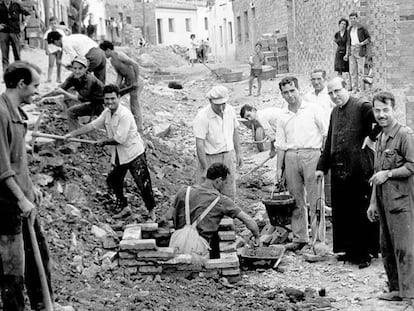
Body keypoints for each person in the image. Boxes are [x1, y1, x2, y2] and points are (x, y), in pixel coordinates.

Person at [0, 61, 54, 311]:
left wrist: (31, 189)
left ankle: (43, 305)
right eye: (34, 86)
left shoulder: (18, 114)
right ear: (21, 84)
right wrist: (21, 198)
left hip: (23, 198)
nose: (36, 92)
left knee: (37, 255)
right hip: (7, 204)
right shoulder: (0, 114)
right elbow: (2, 168)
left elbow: (19, 161)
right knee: (13, 269)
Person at [64, 84, 156, 221]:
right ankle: (124, 208)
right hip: (119, 155)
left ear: (118, 97)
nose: (110, 102)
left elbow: (120, 139)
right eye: (107, 99)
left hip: (134, 152)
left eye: (113, 98)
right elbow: (92, 125)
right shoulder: (106, 113)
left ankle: (151, 213)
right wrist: (73, 133)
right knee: (113, 181)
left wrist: (103, 142)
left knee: (143, 183)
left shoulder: (125, 114)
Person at [316, 77, 380, 268]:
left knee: (361, 211)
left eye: (337, 91)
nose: (335, 96)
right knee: (344, 211)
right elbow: (330, 143)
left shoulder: (362, 106)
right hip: (339, 170)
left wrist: (371, 137)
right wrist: (321, 166)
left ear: (346, 89)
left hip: (360, 169)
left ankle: (365, 253)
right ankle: (349, 250)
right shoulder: (335, 112)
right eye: (330, 93)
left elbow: (380, 121)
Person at [367, 91, 414, 301]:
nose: (381, 114)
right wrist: (372, 203)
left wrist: (389, 173)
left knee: (405, 248)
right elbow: (376, 173)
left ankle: (410, 293)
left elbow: (412, 166)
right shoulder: (380, 137)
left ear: (393, 110)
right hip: (384, 202)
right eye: (377, 110)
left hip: (402, 202)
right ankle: (396, 289)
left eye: (385, 110)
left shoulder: (403, 135)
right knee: (386, 247)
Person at [275, 76, 327, 251]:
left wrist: (323, 159)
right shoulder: (282, 115)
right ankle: (300, 238)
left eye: (292, 91)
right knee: (295, 199)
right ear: (281, 95)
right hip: (291, 156)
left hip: (312, 154)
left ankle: (318, 241)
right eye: (285, 93)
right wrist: (278, 168)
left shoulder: (313, 109)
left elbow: (325, 133)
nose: (290, 96)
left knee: (316, 199)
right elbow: (280, 144)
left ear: (299, 90)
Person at [169, 163, 260, 259]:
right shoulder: (221, 201)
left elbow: (167, 217)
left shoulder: (184, 192)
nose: (224, 186)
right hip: (197, 249)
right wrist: (257, 236)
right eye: (225, 183)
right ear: (218, 181)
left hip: (175, 245)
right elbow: (248, 220)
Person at [193, 85, 242, 200]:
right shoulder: (202, 116)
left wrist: (238, 153)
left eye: (223, 104)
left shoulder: (230, 111)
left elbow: (235, 132)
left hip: (228, 156)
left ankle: (228, 217)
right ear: (210, 101)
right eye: (217, 104)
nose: (221, 107)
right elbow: (199, 144)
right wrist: (205, 168)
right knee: (208, 194)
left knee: (229, 192)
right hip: (211, 158)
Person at [39, 56, 104, 131]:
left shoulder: (89, 79)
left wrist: (64, 92)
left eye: (80, 68)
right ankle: (74, 138)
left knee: (110, 125)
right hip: (92, 103)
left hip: (103, 104)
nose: (77, 71)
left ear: (86, 69)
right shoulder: (73, 76)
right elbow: (59, 89)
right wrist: (42, 96)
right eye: (75, 68)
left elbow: (80, 98)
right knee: (71, 112)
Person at [99, 40, 144, 132]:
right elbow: (120, 75)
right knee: (113, 98)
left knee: (134, 105)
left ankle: (139, 128)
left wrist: (135, 81)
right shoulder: (112, 61)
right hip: (127, 83)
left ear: (108, 50)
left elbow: (135, 65)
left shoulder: (119, 55)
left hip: (136, 82)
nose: (104, 55)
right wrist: (116, 87)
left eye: (103, 52)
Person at [0, 0, 31, 72]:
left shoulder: (16, 5)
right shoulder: (0, 5)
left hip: (15, 31)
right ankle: (6, 75)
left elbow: (28, 14)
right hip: (3, 32)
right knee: (4, 56)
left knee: (17, 54)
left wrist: (24, 24)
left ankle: (18, 73)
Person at [346, 12, 370, 93]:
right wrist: (347, 53)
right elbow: (348, 42)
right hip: (352, 50)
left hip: (360, 50)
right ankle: (354, 88)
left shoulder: (362, 28)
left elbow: (368, 39)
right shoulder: (349, 29)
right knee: (352, 71)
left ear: (357, 19)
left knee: (360, 71)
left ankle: (361, 89)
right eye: (351, 19)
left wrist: (361, 43)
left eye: (354, 18)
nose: (353, 20)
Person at [43, 16, 65, 83]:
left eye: (55, 23)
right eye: (52, 23)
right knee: (50, 64)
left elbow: (64, 41)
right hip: (51, 49)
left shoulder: (60, 31)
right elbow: (46, 41)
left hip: (59, 49)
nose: (54, 25)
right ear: (50, 24)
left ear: (57, 24)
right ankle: (49, 78)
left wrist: (63, 49)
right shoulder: (48, 32)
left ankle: (58, 78)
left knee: (58, 63)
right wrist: (46, 49)